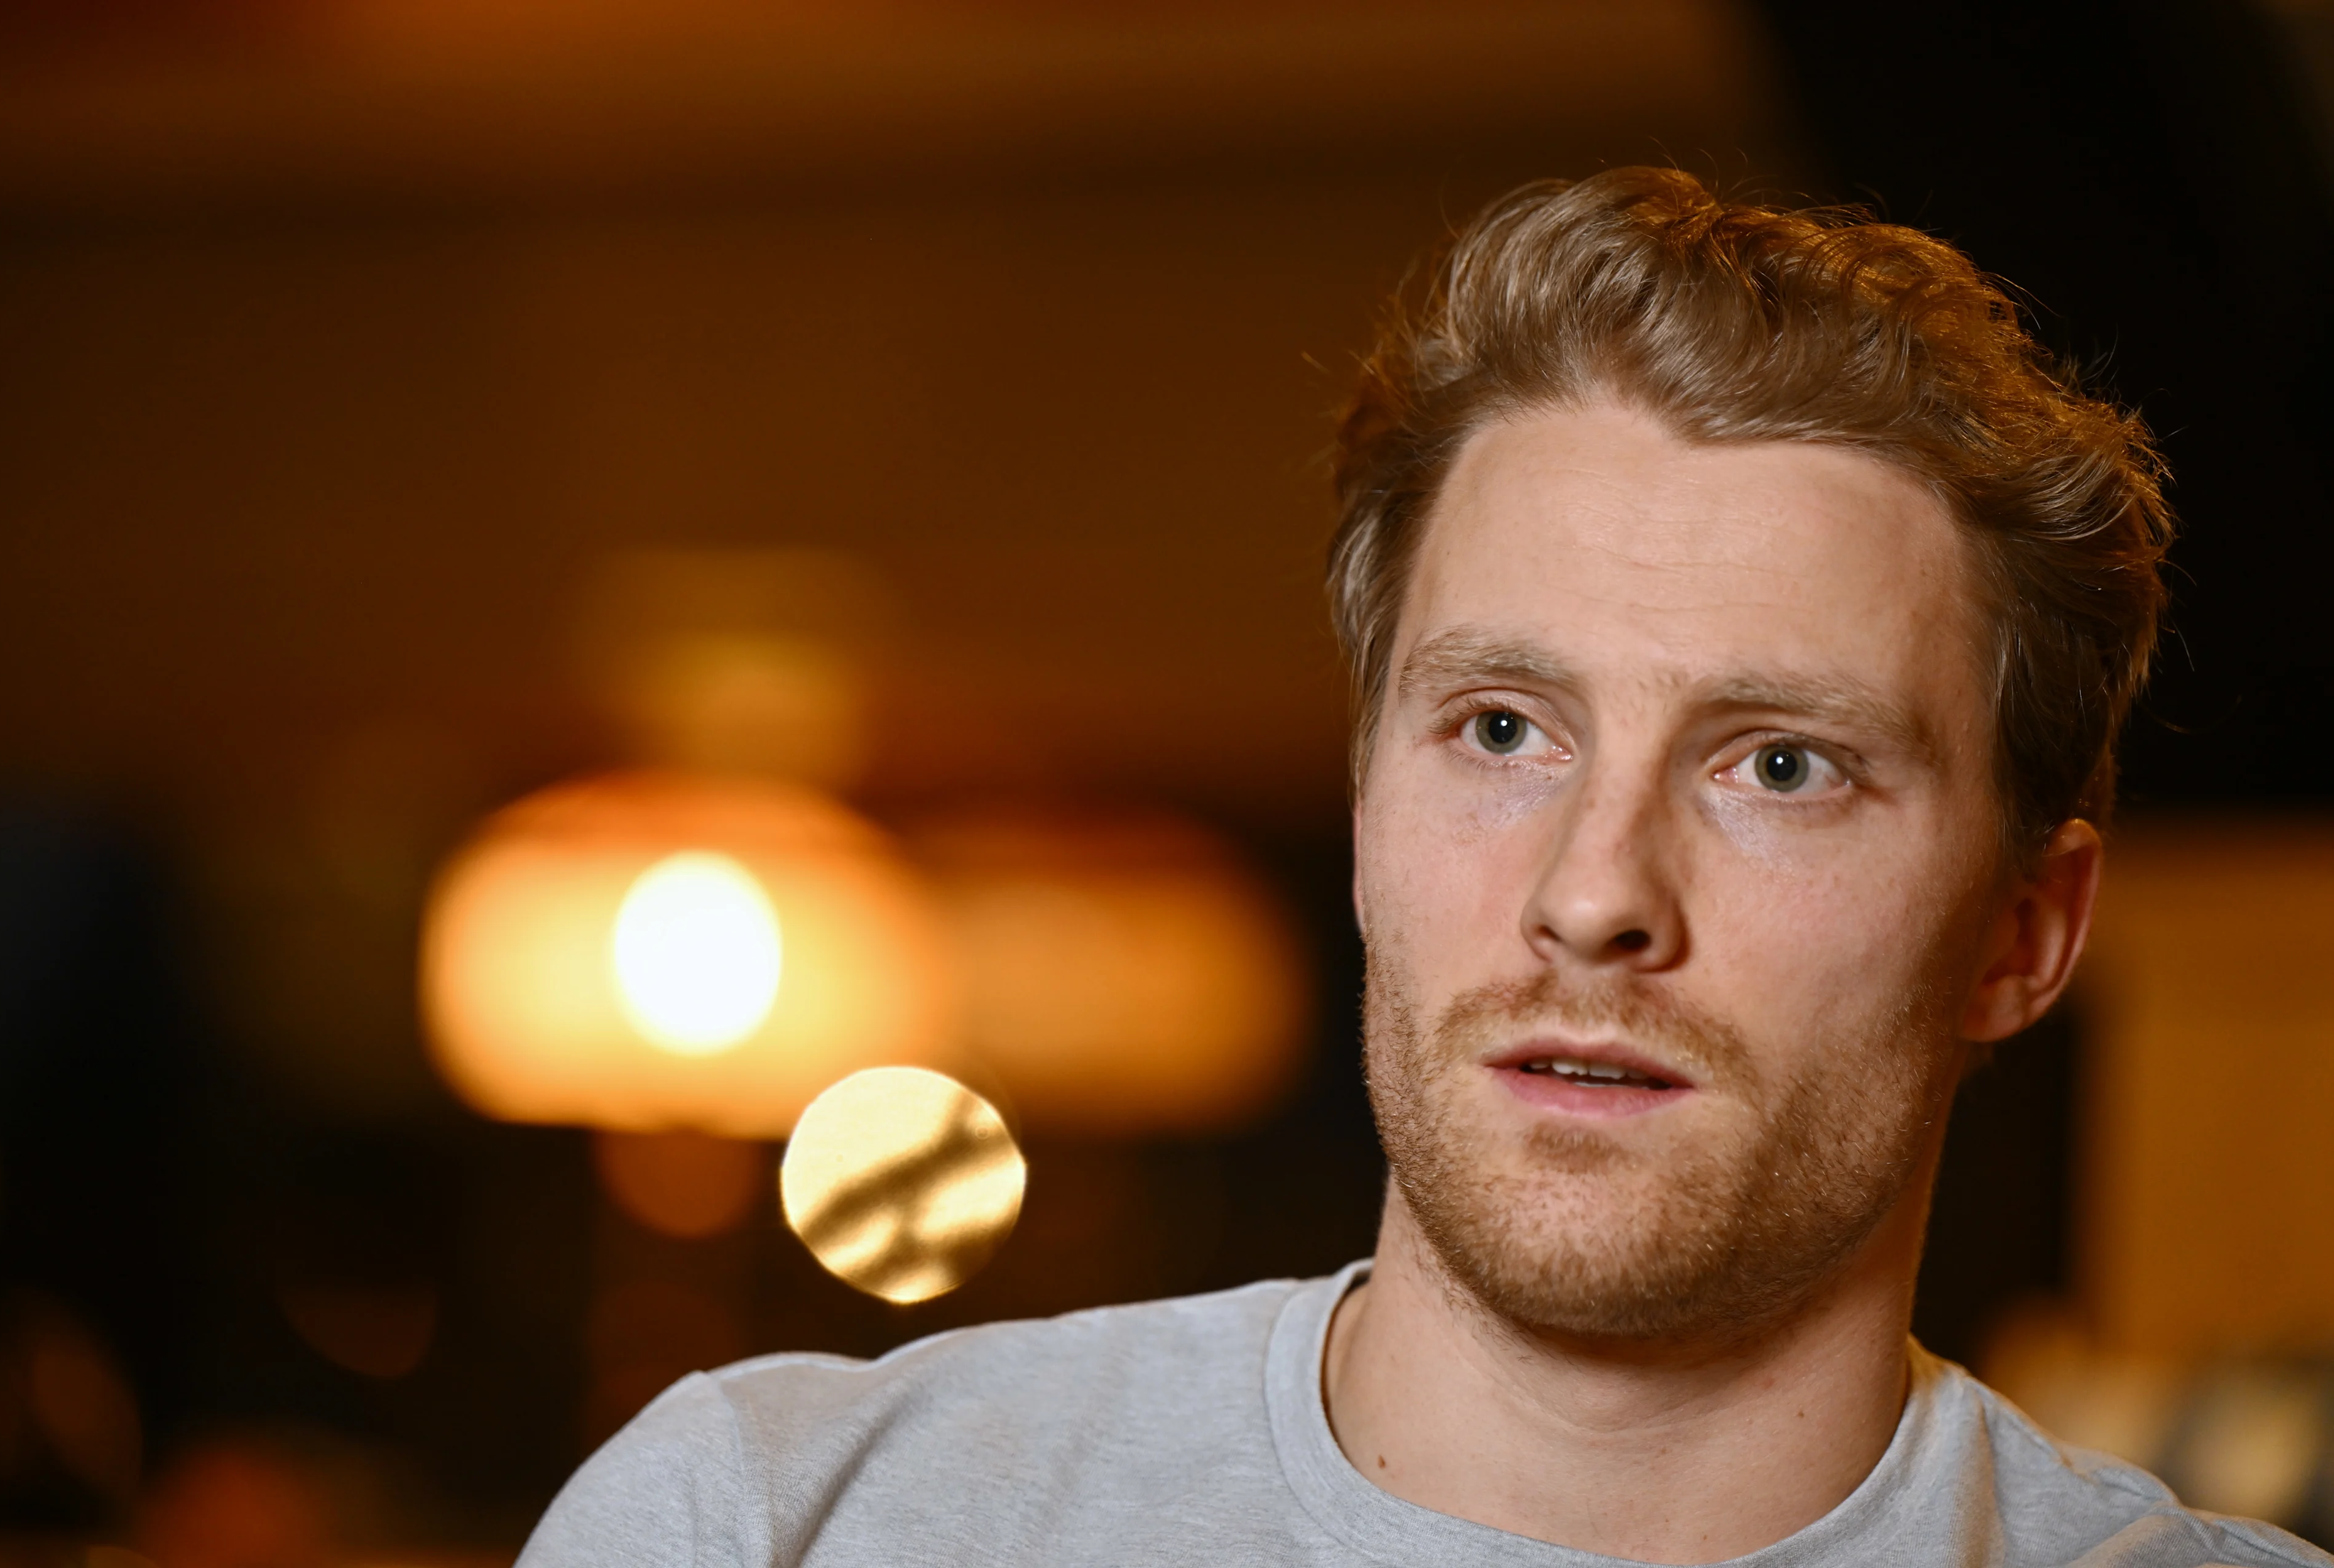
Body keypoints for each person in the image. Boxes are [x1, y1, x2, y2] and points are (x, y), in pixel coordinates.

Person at [517, 168, 2327, 1567]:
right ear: (1371, 797)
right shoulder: (770, 1525)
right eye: (1502, 731)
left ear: (2025, 933)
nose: (1594, 893)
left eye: (1780, 766)